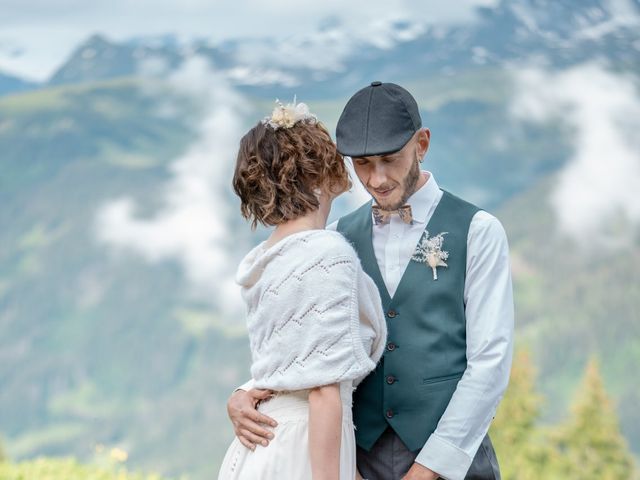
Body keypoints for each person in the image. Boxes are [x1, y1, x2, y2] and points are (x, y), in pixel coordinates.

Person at [227, 82, 515, 480]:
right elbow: (312, 340)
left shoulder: (478, 231)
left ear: (422, 143)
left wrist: (429, 468)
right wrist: (244, 393)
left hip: (452, 460)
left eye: (389, 159)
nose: (376, 179)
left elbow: (490, 363)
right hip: (359, 462)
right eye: (362, 163)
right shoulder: (338, 238)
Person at [217, 100, 388, 480]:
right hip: (304, 445)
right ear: (314, 173)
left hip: (271, 444)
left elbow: (288, 358)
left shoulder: (270, 257)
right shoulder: (325, 253)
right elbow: (324, 390)